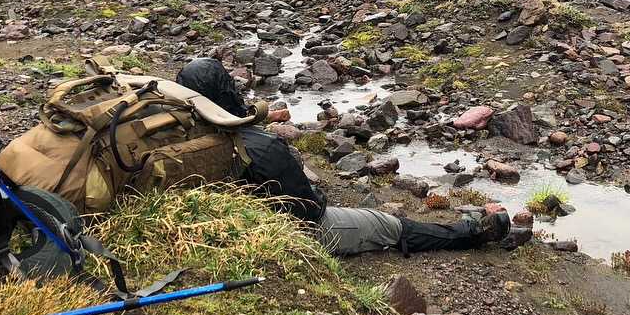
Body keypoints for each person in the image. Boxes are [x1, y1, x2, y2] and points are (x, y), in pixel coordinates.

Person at [175, 57, 512, 256]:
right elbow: (309, 209)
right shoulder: (261, 146)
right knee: (391, 226)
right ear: (227, 93)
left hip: (240, 225)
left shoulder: (183, 135)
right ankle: (470, 233)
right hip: (303, 230)